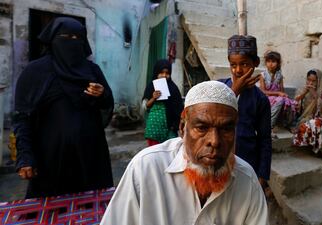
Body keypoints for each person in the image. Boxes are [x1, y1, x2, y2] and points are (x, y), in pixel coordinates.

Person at [101, 81, 269, 225]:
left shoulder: (247, 182)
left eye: (226, 129)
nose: (215, 141)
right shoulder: (145, 169)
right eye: (202, 128)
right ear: (182, 128)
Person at [13, 17, 114, 198]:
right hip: (49, 160)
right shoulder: (35, 72)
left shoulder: (92, 71)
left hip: (90, 158)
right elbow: (22, 117)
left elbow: (107, 104)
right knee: (50, 210)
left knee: (92, 209)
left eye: (77, 38)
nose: (72, 43)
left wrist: (102, 94)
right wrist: (25, 156)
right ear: (53, 39)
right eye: (65, 37)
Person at [220, 35, 272, 195]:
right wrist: (234, 91)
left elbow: (265, 139)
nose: (237, 70)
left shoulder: (260, 99)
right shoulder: (219, 87)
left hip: (246, 161)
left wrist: (262, 175)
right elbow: (214, 112)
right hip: (219, 158)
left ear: (255, 63)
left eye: (244, 64)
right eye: (233, 65)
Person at [292, 69, 322, 166]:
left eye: (313, 81)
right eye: (309, 80)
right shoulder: (302, 90)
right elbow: (295, 105)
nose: (310, 83)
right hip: (309, 120)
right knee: (310, 125)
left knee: (315, 123)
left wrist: (314, 94)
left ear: (319, 81)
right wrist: (303, 94)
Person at [142, 59, 183, 146]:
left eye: (167, 73)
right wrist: (153, 98)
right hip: (154, 126)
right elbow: (145, 106)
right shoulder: (151, 86)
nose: (164, 75)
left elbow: (179, 108)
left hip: (170, 127)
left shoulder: (173, 88)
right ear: (156, 73)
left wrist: (175, 125)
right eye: (161, 73)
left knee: (170, 150)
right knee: (154, 151)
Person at [258, 51, 297, 131]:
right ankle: (269, 125)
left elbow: (281, 90)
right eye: (268, 61)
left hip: (277, 97)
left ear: (278, 63)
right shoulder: (263, 75)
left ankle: (288, 124)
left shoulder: (279, 75)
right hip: (266, 97)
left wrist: (284, 96)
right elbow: (263, 91)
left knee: (291, 102)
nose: (270, 64)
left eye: (273, 61)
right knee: (280, 100)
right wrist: (278, 93)